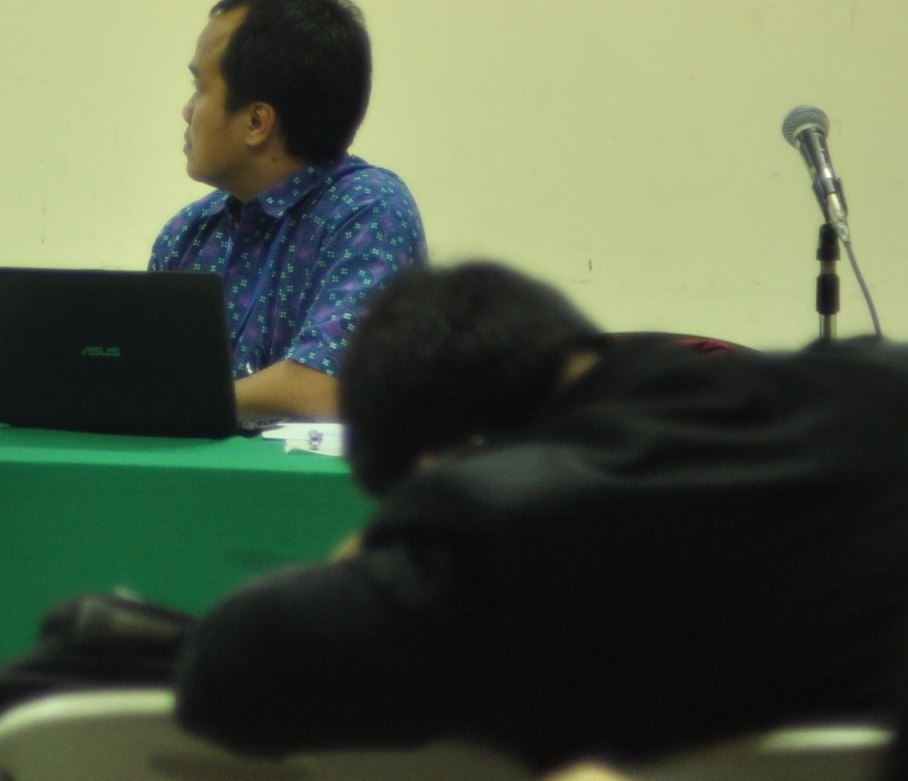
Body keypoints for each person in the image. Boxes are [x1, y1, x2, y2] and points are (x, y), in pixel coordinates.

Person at [174, 262, 908, 767]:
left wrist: (386, 540)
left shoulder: (501, 542)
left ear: (440, 459)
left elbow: (230, 670)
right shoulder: (877, 393)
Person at [151, 0, 424, 418]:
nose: (187, 111)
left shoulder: (370, 210)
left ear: (256, 122)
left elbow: (328, 388)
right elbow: (147, 378)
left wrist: (177, 401)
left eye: (200, 88)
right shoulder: (190, 232)